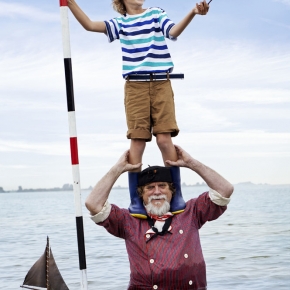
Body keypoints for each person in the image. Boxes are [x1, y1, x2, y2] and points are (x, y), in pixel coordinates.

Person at [67, 0, 210, 170]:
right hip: (135, 87)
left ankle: (175, 191)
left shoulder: (156, 13)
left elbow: (173, 31)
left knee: (164, 139)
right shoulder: (120, 23)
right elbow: (89, 25)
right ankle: (135, 195)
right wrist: (70, 3)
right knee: (138, 140)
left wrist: (193, 12)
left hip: (161, 83)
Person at [86, 145, 234, 289]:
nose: (156, 192)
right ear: (141, 194)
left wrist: (191, 163)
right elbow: (93, 204)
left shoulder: (191, 212)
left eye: (162, 186)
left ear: (172, 191)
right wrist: (117, 169)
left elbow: (225, 190)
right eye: (150, 188)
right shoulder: (127, 220)